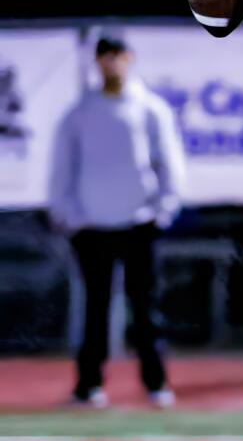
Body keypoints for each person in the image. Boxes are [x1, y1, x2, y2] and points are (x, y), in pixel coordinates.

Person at [47, 34, 185, 409]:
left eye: (118, 56)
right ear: (97, 62)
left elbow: (169, 165)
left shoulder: (151, 110)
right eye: (104, 57)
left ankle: (156, 384)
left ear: (129, 59)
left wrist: (162, 211)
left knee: (145, 309)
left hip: (139, 226)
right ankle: (88, 386)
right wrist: (70, 217)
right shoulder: (81, 113)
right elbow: (62, 170)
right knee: (95, 309)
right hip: (92, 229)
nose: (112, 64)